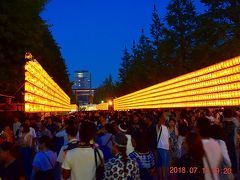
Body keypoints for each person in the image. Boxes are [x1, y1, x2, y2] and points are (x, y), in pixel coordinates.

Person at [223, 108, 238, 174]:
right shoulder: (235, 121)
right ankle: (234, 171)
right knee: (233, 157)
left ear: (224, 114)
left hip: (225, 143)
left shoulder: (223, 123)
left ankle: (228, 172)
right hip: (233, 142)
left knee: (226, 158)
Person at [156, 113, 170, 180]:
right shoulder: (158, 126)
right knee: (163, 165)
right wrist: (163, 115)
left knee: (164, 164)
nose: (166, 117)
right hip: (161, 148)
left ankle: (163, 177)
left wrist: (169, 148)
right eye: (164, 116)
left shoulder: (166, 127)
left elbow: (168, 139)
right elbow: (160, 122)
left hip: (166, 149)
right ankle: (163, 178)